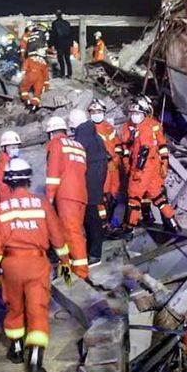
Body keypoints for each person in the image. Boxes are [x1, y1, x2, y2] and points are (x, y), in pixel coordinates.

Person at [0, 158, 72, 372]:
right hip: (37, 265)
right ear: (29, 180)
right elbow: (57, 235)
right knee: (37, 310)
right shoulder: (42, 204)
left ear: (8, 181)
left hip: (11, 265)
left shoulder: (1, 208)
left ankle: (15, 350)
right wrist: (65, 262)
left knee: (15, 308)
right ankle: (34, 361)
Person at [44, 114, 90, 279]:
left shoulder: (56, 144)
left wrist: (49, 198)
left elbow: (53, 173)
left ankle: (81, 273)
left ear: (50, 133)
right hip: (81, 194)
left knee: (72, 233)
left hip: (66, 195)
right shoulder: (77, 145)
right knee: (74, 232)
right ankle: (70, 267)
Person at [124, 96, 179, 232]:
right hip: (150, 165)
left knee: (134, 196)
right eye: (133, 113)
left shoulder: (148, 127)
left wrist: (164, 161)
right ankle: (173, 223)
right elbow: (127, 145)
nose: (134, 116)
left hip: (144, 166)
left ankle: (130, 228)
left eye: (137, 113)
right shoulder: (134, 126)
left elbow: (146, 150)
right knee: (156, 195)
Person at [69, 107, 110, 266]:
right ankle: (93, 251)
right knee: (93, 218)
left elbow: (76, 165)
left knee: (90, 219)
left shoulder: (81, 141)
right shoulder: (95, 136)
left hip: (87, 184)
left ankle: (94, 254)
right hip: (97, 181)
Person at [88, 100, 121, 227]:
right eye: (93, 112)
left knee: (114, 194)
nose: (96, 114)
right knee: (102, 196)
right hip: (100, 168)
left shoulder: (109, 128)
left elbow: (117, 145)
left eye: (99, 111)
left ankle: (112, 221)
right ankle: (103, 222)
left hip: (113, 168)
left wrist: (116, 158)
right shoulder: (89, 129)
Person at [0, 130, 22, 209]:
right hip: (6, 205)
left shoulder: (12, 162)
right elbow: (3, 190)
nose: (16, 150)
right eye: (13, 147)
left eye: (17, 147)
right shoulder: (3, 165)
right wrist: (9, 208)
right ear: (4, 148)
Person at [50, 11, 74, 78]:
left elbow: (53, 35)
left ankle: (62, 73)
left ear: (56, 15)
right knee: (67, 59)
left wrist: (52, 44)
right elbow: (71, 34)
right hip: (67, 43)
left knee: (60, 59)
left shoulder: (55, 23)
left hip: (59, 43)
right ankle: (69, 74)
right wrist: (71, 44)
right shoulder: (67, 23)